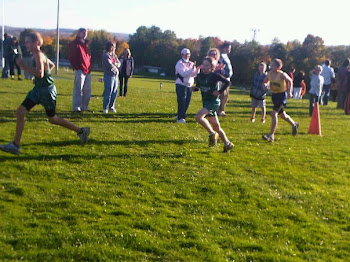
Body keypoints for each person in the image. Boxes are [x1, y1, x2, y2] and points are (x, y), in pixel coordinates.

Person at [0, 32, 90, 155]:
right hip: (40, 89)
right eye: (25, 42)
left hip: (45, 92)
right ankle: (15, 145)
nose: (26, 44)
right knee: (21, 112)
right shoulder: (40, 54)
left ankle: (81, 131)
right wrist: (39, 79)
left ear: (36, 43)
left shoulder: (37, 54)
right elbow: (50, 66)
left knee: (52, 119)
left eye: (28, 42)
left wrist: (23, 67)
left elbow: (40, 73)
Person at [190, 56, 234, 152]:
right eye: (203, 65)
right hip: (206, 101)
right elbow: (199, 87)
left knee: (198, 117)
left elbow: (227, 83)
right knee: (216, 127)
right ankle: (227, 143)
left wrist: (219, 91)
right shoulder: (200, 76)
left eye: (207, 65)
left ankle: (211, 134)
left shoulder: (214, 76)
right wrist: (194, 89)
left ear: (212, 67)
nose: (204, 67)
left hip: (213, 102)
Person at [262, 58, 299, 142]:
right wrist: (265, 85)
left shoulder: (282, 74)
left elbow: (290, 81)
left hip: (281, 96)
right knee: (282, 115)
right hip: (274, 95)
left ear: (279, 67)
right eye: (270, 64)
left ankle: (271, 135)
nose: (271, 66)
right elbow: (265, 82)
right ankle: (294, 124)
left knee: (273, 113)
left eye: (273, 65)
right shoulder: (269, 74)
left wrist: (289, 92)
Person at [69, 28, 92, 113]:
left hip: (87, 69)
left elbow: (88, 57)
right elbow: (72, 57)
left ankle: (84, 106)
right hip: (80, 69)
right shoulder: (75, 44)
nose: (85, 34)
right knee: (78, 89)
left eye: (86, 33)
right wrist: (76, 66)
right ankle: (76, 107)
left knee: (87, 90)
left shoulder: (86, 44)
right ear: (79, 33)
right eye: (83, 32)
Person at [175, 48, 198, 123]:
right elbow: (183, 74)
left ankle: (181, 114)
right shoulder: (180, 63)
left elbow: (194, 74)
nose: (188, 56)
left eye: (189, 54)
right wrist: (191, 69)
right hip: (181, 84)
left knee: (187, 101)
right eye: (186, 54)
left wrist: (197, 69)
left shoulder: (191, 63)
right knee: (182, 101)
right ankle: (180, 118)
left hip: (189, 85)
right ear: (182, 55)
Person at [102, 41, 120, 114]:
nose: (114, 48)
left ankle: (111, 107)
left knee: (114, 92)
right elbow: (109, 65)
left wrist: (115, 64)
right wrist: (115, 65)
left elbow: (119, 63)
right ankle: (105, 108)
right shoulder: (105, 55)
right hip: (109, 75)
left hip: (115, 76)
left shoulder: (113, 55)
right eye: (113, 46)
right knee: (108, 91)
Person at [218, 42, 233, 116]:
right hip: (223, 78)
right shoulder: (220, 56)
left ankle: (222, 109)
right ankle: (219, 110)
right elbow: (219, 67)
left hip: (228, 78)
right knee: (222, 95)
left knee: (226, 95)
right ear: (224, 48)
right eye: (228, 48)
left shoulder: (226, 56)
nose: (229, 49)